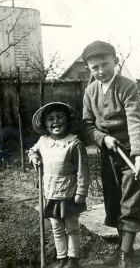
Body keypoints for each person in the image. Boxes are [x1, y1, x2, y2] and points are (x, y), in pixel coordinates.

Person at [82, 41, 140, 268]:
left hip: (131, 152)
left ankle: (125, 255)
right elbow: (87, 125)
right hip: (108, 154)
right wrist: (103, 139)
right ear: (89, 69)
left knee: (132, 200)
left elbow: (136, 121)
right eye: (95, 67)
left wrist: (139, 156)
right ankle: (121, 247)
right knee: (115, 201)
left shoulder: (127, 86)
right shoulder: (90, 92)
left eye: (105, 64)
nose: (101, 71)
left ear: (115, 62)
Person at [28, 102, 90, 268]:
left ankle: (73, 259)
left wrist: (81, 193)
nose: (55, 121)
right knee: (56, 227)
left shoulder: (74, 144)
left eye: (60, 117)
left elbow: (83, 171)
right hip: (50, 192)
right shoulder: (43, 141)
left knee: (72, 227)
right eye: (50, 118)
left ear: (68, 120)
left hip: (69, 193)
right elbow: (32, 150)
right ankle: (61, 258)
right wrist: (34, 158)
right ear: (45, 124)